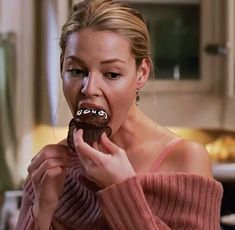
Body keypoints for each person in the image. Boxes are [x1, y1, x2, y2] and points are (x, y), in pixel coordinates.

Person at [16, 0, 223, 229]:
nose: (89, 88)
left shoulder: (186, 159)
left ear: (141, 73)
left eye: (112, 74)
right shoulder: (51, 169)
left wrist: (122, 188)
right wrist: (42, 208)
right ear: (61, 68)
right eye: (76, 71)